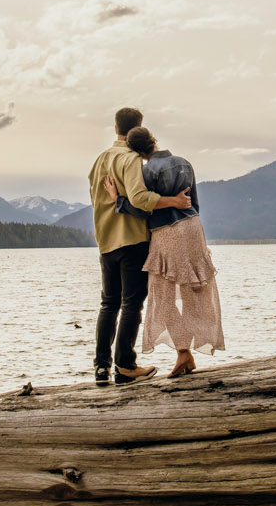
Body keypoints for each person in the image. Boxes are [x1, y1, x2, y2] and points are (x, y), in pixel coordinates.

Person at [104, 126, 225, 377]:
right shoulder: (185, 163)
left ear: (136, 151)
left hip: (167, 232)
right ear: (154, 140)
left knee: (162, 296)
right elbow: (195, 202)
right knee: (194, 291)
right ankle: (187, 353)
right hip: (193, 227)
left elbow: (143, 206)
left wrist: (118, 199)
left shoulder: (147, 171)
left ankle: (183, 352)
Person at [87, 106, 191, 385]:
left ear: (115, 127)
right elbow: (140, 198)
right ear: (138, 128)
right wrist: (172, 202)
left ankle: (101, 367)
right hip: (131, 239)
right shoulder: (130, 158)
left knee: (108, 304)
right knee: (132, 303)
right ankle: (125, 365)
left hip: (105, 241)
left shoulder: (99, 160)